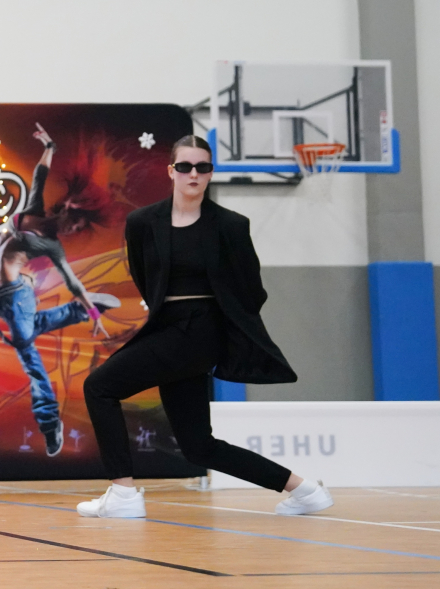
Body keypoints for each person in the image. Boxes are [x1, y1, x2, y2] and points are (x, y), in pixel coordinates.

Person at [77, 135, 333, 518]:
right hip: (168, 328)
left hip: (201, 330)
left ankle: (123, 494)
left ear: (211, 173)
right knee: (199, 447)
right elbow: (145, 277)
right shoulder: (142, 222)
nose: (193, 174)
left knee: (99, 386)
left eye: (202, 167)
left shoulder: (231, 226)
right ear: (171, 171)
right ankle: (305, 490)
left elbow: (252, 290)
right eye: (185, 167)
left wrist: (218, 327)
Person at [0, 123, 120, 456]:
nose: (73, 230)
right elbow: (39, 177)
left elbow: (72, 281)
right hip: (1, 294)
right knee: (29, 331)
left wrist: (93, 314)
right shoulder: (33, 211)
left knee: (28, 353)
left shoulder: (53, 246)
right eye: (76, 222)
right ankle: (75, 312)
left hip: (16, 295)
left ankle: (48, 423)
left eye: (78, 229)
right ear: (69, 207)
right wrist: (50, 147)